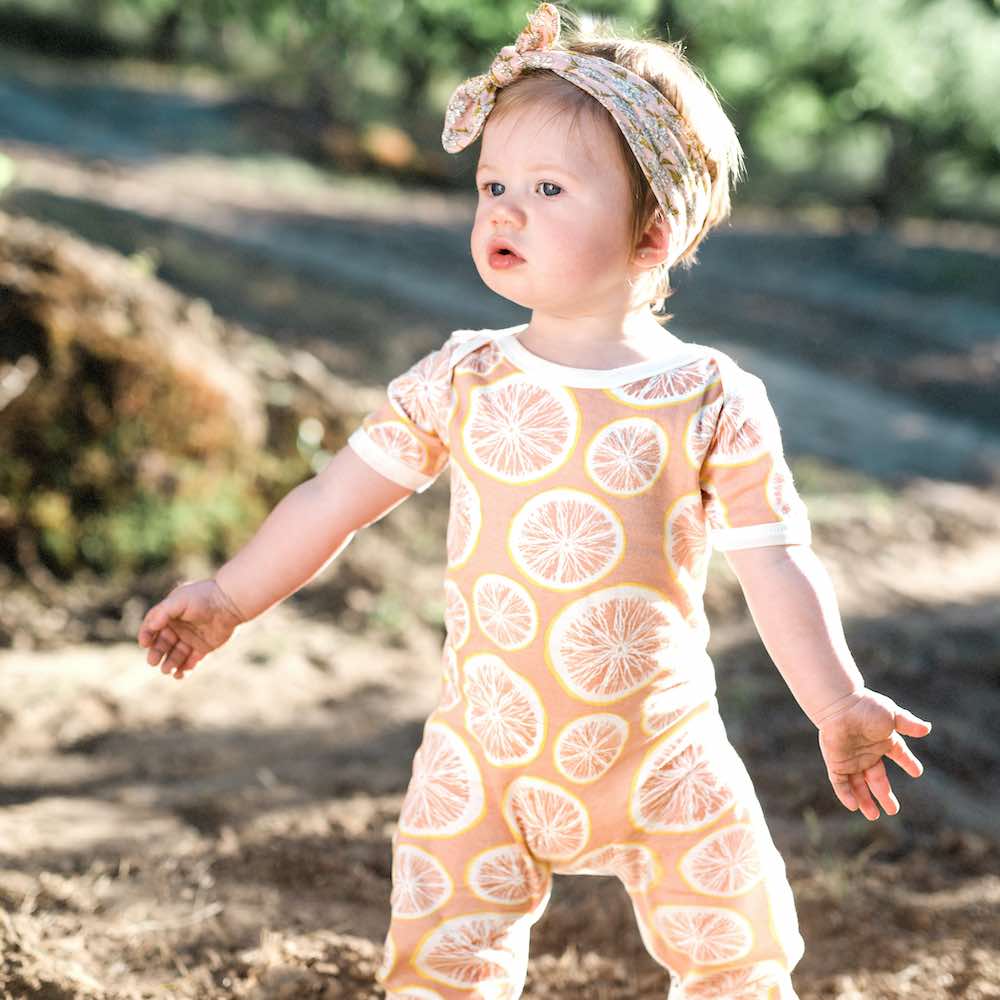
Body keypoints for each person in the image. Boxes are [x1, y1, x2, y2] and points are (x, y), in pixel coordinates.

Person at [137, 4, 932, 997]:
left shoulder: (712, 397)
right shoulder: (461, 377)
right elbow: (335, 498)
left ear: (652, 233)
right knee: (438, 966)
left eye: (547, 188)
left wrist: (835, 699)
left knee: (739, 952)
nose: (504, 210)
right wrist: (230, 593)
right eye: (493, 185)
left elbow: (774, 561)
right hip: (484, 752)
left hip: (664, 755)